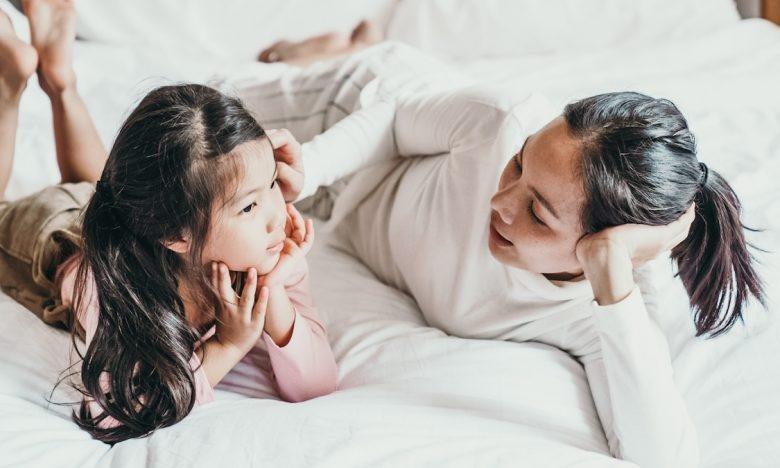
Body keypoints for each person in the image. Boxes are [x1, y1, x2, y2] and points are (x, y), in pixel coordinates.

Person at [221, 42, 765, 468]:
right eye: (519, 166)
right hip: (348, 125)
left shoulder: (603, 311)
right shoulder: (499, 122)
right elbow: (390, 121)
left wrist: (613, 266)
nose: (500, 202)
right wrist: (308, 168)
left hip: (344, 212)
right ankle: (337, 49)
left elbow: (662, 458)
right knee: (210, 106)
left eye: (538, 213)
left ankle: (335, 43)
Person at [0, 0, 337, 444]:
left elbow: (317, 385)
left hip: (111, 211)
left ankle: (62, 80)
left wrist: (275, 294)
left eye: (273, 183)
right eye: (250, 207)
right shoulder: (118, 290)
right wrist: (227, 347)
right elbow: (112, 414)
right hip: (51, 236)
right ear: (175, 235)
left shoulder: (266, 248)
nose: (279, 216)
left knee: (95, 185)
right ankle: (9, 86)